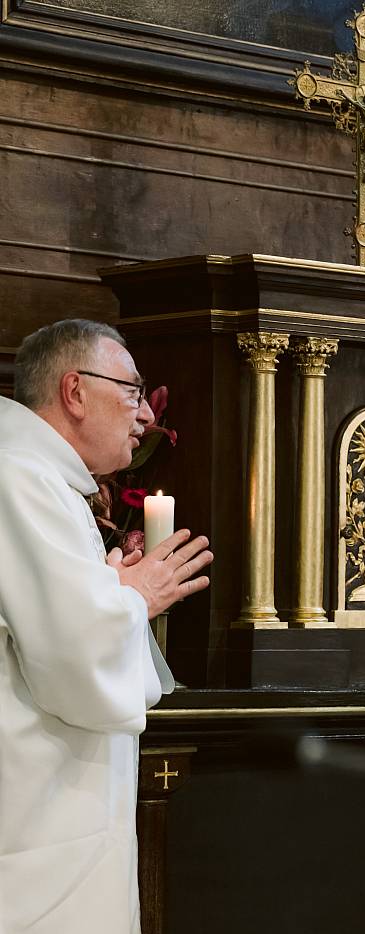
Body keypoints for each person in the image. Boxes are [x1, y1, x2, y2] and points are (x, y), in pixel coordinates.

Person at [0, 319, 213, 933]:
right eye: (132, 392)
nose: (144, 414)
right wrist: (136, 597)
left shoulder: (40, 479)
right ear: (74, 392)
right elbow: (72, 664)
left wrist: (107, 591)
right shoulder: (22, 478)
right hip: (35, 819)